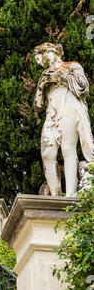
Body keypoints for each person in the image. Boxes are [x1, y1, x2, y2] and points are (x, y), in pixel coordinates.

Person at [34, 42, 94, 196]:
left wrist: (59, 77)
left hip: (69, 106)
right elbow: (38, 106)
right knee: (47, 152)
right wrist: (42, 85)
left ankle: (70, 196)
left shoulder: (72, 66)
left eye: (43, 53)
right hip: (52, 111)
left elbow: (83, 88)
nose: (42, 60)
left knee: (68, 149)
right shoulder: (44, 76)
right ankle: (55, 196)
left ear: (54, 51)